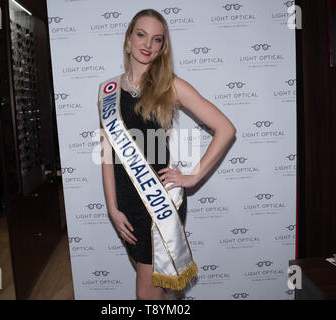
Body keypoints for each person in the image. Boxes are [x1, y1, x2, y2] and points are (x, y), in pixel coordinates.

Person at [99, 9, 236, 300]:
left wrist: (192, 177)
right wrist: (112, 208)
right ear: (128, 39)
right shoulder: (108, 91)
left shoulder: (170, 86)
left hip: (157, 203)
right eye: (141, 34)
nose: (148, 43)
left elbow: (225, 128)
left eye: (157, 39)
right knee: (155, 288)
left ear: (162, 47)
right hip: (126, 204)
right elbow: (107, 153)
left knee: (146, 295)